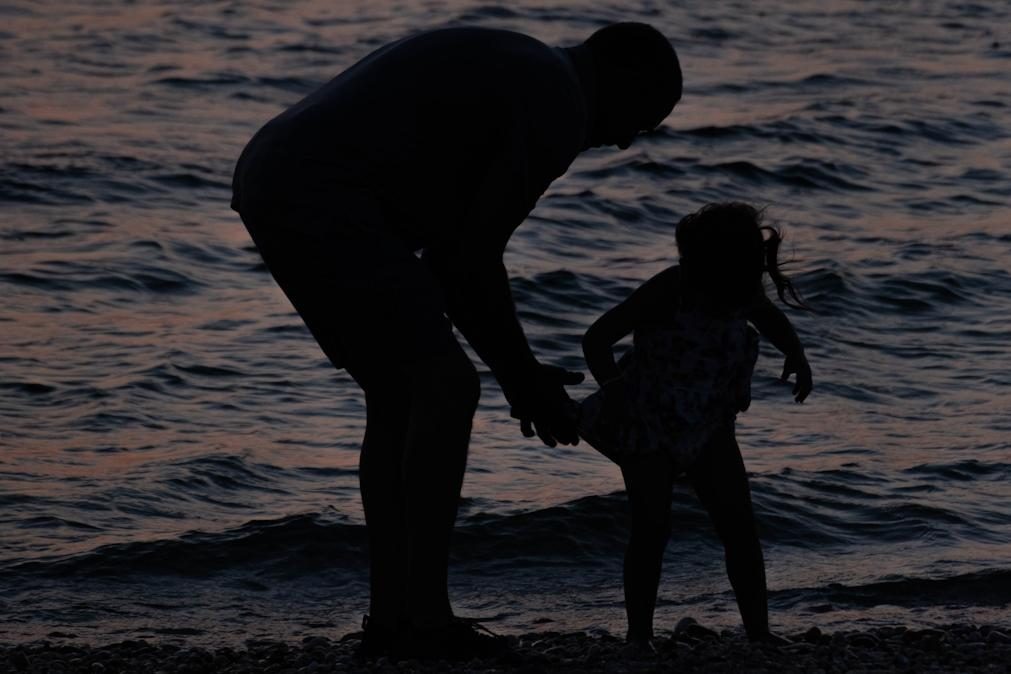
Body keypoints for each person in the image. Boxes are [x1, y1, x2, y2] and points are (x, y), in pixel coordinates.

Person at [230, 23, 682, 658]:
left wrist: (521, 378)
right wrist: (524, 383)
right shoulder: (558, 100)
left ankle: (393, 617)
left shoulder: (528, 65)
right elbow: (467, 264)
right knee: (445, 386)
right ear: (624, 74)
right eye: (643, 117)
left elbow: (452, 258)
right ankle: (425, 618)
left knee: (400, 393)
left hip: (274, 173)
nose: (624, 139)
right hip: (322, 192)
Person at [578, 202, 813, 648]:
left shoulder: (741, 292)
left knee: (740, 528)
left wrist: (797, 356)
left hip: (711, 428)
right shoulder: (674, 287)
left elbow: (773, 321)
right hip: (648, 427)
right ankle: (639, 637)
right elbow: (596, 339)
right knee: (651, 529)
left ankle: (759, 632)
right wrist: (614, 388)